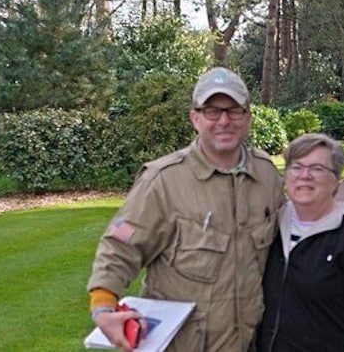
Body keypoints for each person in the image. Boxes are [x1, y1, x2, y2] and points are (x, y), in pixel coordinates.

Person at [87, 66, 284, 352]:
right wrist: (103, 308)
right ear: (195, 118)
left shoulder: (266, 176)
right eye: (212, 111)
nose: (224, 120)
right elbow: (120, 247)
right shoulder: (163, 180)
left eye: (234, 110)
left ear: (248, 117)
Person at [255, 133, 344, 352]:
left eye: (317, 168)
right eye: (296, 167)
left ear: (336, 179)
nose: (305, 175)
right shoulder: (270, 228)